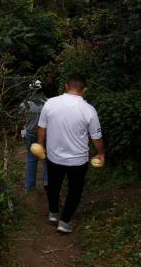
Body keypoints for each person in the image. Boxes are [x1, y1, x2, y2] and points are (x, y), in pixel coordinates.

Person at [37, 74, 105, 233]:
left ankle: (53, 213)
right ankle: (65, 222)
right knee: (75, 190)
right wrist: (101, 153)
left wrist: (40, 144)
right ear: (84, 90)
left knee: (53, 185)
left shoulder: (50, 103)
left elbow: (41, 127)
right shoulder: (89, 110)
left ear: (66, 86)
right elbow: (96, 137)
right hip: (78, 161)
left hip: (54, 157)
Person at [20, 79, 48, 192]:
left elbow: (21, 120)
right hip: (45, 133)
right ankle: (47, 182)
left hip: (30, 133)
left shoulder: (24, 105)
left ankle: (29, 186)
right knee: (46, 158)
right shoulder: (49, 103)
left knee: (31, 159)